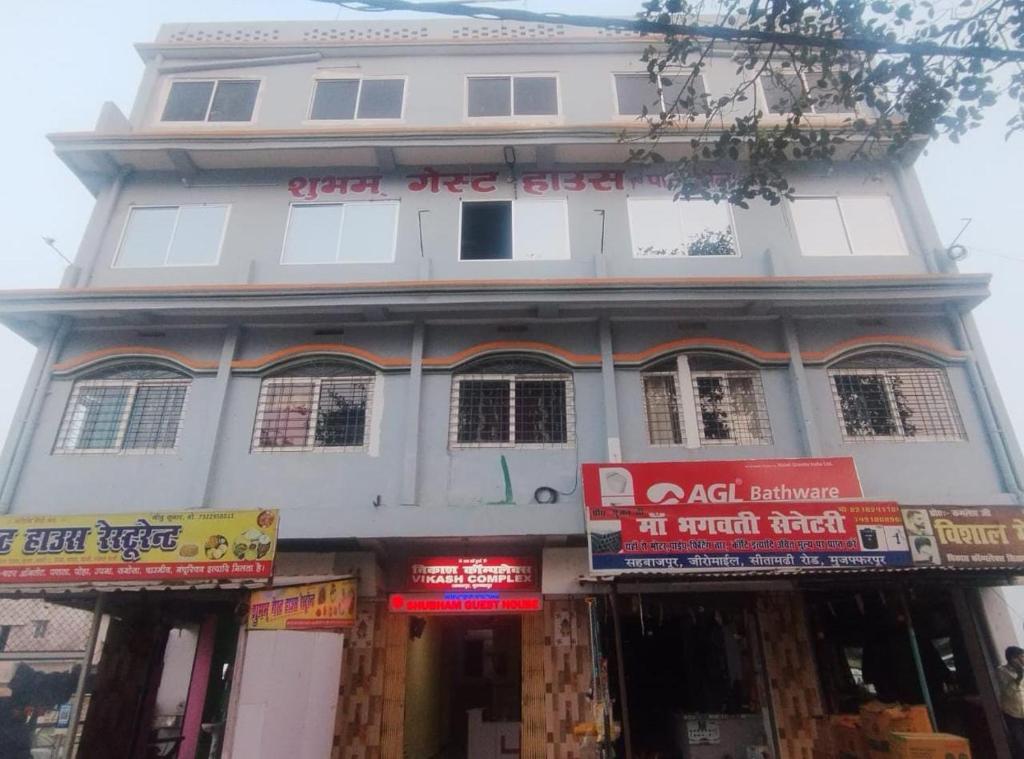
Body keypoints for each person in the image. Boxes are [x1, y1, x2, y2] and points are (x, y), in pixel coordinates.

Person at [997, 646, 1024, 758]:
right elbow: (1010, 690)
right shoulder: (1002, 671)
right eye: (1022, 656)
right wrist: (1020, 675)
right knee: (1019, 742)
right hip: (1012, 713)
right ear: (1013, 658)